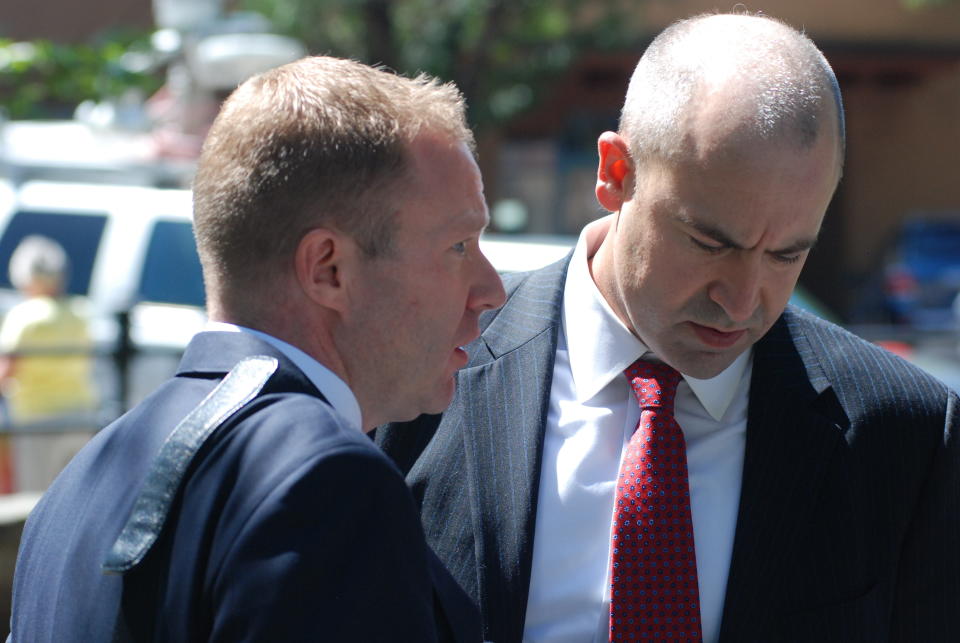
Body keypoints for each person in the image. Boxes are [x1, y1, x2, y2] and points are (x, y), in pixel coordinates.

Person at [377, 12, 960, 643]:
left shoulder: (908, 437)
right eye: (709, 242)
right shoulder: (418, 370)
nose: (740, 302)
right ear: (616, 173)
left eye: (787, 255)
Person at [8, 55, 505, 642]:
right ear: (329, 269)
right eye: (457, 246)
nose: (490, 290)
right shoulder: (326, 484)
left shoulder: (79, 485)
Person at [0, 235, 97, 493]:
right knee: (74, 493)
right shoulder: (81, 312)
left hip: (36, 420)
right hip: (80, 414)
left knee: (35, 496)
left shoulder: (23, 317)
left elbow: (6, 370)